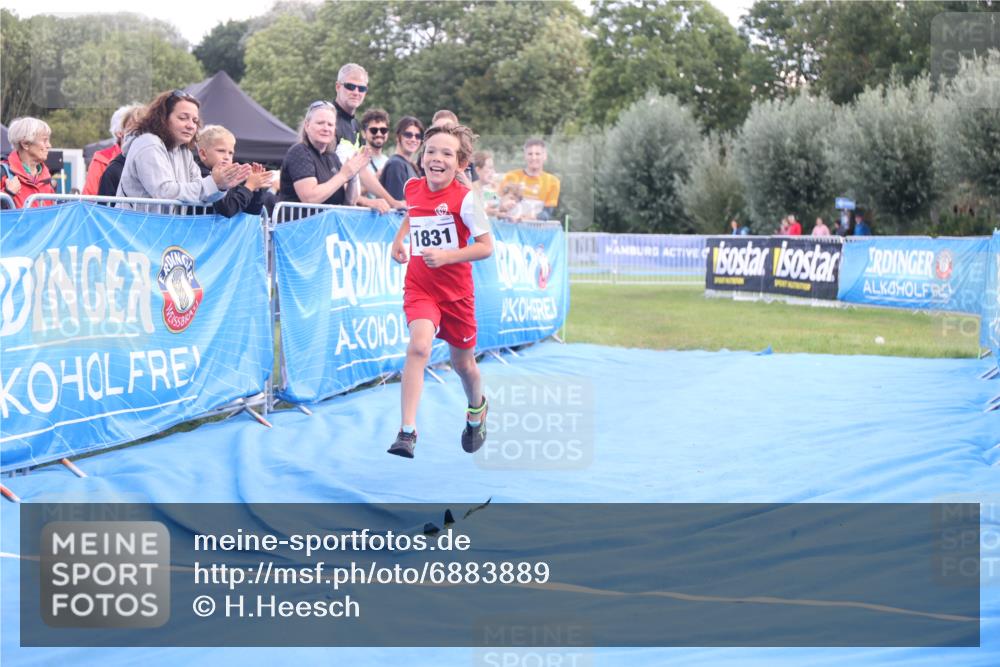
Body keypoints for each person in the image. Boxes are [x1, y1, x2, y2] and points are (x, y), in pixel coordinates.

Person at [387, 124, 493, 459]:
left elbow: (486, 247)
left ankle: (477, 410)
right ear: (422, 157)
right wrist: (399, 239)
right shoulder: (412, 187)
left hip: (457, 295)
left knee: (464, 365)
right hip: (420, 288)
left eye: (447, 153)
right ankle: (407, 432)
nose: (437, 158)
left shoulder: (466, 201)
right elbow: (414, 213)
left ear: (461, 164)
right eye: (431, 151)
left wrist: (448, 256)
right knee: (418, 347)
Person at [116, 90, 249, 210]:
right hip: (135, 232)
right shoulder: (148, 143)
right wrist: (213, 182)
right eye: (183, 118)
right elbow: (164, 192)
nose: (191, 126)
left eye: (195, 121)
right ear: (163, 118)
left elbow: (201, 193)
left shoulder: (184, 152)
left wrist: (221, 185)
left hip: (162, 232)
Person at [327, 63, 405, 209]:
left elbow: (362, 171)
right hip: (325, 211)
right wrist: (368, 202)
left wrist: (392, 202)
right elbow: (326, 174)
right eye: (350, 86)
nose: (356, 92)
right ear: (338, 87)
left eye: (362, 88)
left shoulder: (354, 125)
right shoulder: (328, 120)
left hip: (345, 211)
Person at [278, 100, 370, 208]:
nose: (326, 128)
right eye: (320, 123)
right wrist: (343, 175)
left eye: (330, 124)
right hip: (299, 224)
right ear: (307, 126)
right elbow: (309, 198)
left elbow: (350, 201)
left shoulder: (332, 157)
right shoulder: (299, 152)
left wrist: (353, 174)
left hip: (328, 224)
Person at [195, 125, 272, 217]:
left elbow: (253, 211)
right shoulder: (199, 174)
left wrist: (255, 189)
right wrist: (249, 187)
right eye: (221, 151)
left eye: (230, 153)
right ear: (203, 154)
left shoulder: (231, 177)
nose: (226, 157)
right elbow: (229, 209)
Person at [83, 103, 142, 196]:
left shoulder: (150, 156)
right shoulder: (101, 159)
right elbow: (90, 196)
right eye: (134, 127)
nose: (140, 132)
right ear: (119, 132)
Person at [500, 138, 560, 221]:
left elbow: (547, 213)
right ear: (525, 156)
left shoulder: (553, 181)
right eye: (530, 154)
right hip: (510, 229)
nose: (533, 157)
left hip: (535, 230)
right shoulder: (511, 176)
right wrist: (502, 205)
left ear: (544, 156)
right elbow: (494, 198)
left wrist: (528, 218)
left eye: (537, 154)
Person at [1, 117, 55, 208]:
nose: (49, 145)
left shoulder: (47, 179)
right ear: (25, 144)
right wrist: (7, 194)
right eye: (44, 140)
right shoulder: (3, 172)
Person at [98, 105, 146, 198]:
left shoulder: (161, 164)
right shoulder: (111, 170)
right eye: (133, 131)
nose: (137, 137)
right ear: (121, 133)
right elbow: (101, 208)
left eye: (143, 131)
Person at [379, 116, 424, 202]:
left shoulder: (410, 165)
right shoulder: (396, 164)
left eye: (418, 136)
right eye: (408, 135)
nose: (413, 139)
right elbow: (397, 205)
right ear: (398, 137)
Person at [471, 150, 500, 217]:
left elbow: (496, 207)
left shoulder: (488, 192)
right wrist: (485, 213)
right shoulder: (468, 193)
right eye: (490, 168)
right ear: (477, 170)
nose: (493, 171)